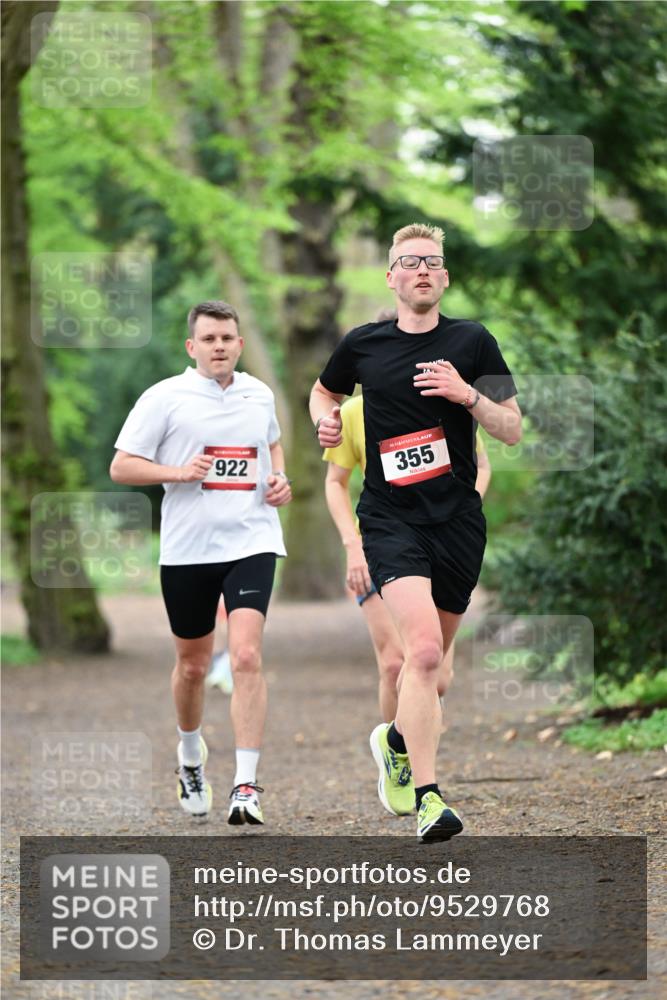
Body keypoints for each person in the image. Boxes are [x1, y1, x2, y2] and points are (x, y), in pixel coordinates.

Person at [310, 224, 520, 843]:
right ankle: (430, 800)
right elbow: (322, 395)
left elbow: (511, 429)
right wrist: (325, 425)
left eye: (433, 262)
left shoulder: (474, 342)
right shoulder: (363, 345)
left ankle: (396, 740)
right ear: (392, 277)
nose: (422, 270)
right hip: (388, 519)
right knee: (422, 653)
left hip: (457, 522)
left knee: (437, 671)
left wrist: (467, 396)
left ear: (446, 277)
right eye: (410, 262)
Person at [110, 300, 291, 825]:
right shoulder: (164, 397)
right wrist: (179, 471)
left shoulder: (259, 393)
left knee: (247, 657)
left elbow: (272, 446)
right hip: (188, 549)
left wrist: (280, 482)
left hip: (252, 540)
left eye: (227, 338)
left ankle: (246, 786)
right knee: (192, 665)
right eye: (209, 339)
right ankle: (190, 755)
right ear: (192, 347)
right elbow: (122, 466)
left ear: (239, 343)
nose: (219, 346)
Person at [323, 387, 492, 725]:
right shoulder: (355, 412)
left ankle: (402, 741)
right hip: (380, 545)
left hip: (442, 543)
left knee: (437, 677)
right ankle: (399, 767)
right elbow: (335, 483)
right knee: (394, 664)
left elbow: (481, 465)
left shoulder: (442, 402)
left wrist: (461, 514)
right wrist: (352, 546)